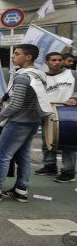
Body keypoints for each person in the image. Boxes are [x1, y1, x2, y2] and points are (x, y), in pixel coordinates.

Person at [0, 44, 51, 202]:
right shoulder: (39, 75)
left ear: (28, 57)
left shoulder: (23, 76)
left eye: (17, 54)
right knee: (24, 158)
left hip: (17, 122)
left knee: (2, 156)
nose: (13, 56)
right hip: (32, 121)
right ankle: (20, 190)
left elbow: (16, 104)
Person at [34, 52, 77, 182]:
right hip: (48, 112)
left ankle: (69, 172)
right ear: (47, 62)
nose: (57, 62)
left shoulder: (72, 74)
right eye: (53, 60)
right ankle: (49, 166)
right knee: (47, 140)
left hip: (68, 113)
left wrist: (74, 97)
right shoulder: (42, 77)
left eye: (59, 60)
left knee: (68, 143)